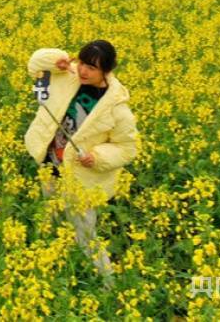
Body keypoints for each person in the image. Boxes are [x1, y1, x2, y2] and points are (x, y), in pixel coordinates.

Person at [25, 40, 138, 279]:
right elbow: (35, 65)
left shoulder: (116, 107)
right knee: (51, 218)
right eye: (83, 63)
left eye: (92, 68)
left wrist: (97, 157)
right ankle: (53, 267)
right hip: (51, 165)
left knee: (85, 232)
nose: (84, 71)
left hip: (81, 177)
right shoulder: (68, 76)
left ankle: (108, 283)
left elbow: (127, 148)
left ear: (106, 71)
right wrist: (57, 58)